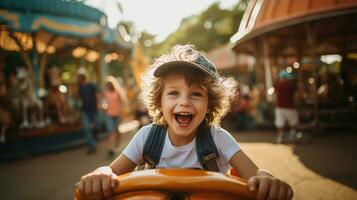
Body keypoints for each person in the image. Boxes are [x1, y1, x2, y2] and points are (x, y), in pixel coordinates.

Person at [77, 45, 293, 199]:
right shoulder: (147, 137)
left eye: (196, 94)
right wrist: (102, 173)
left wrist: (266, 179)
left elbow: (255, 174)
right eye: (173, 93)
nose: (184, 102)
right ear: (159, 101)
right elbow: (113, 171)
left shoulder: (217, 138)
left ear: (209, 103)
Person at [103, 76, 127, 157]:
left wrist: (122, 113)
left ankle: (117, 144)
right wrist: (104, 107)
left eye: (110, 84)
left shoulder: (117, 92)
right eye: (107, 84)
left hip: (117, 114)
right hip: (109, 114)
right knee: (111, 130)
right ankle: (111, 147)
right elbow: (104, 103)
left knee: (116, 130)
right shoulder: (106, 93)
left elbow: (122, 103)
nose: (108, 86)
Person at [77, 69, 100, 154]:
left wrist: (98, 105)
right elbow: (79, 98)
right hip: (85, 110)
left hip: (93, 109)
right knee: (86, 128)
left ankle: (95, 136)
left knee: (97, 126)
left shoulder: (92, 85)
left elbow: (97, 95)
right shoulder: (80, 87)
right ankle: (92, 146)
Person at [273, 70, 299, 143]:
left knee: (280, 123)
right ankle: (292, 135)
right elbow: (296, 96)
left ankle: (280, 137)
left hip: (279, 107)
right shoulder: (291, 85)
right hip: (290, 107)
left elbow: (274, 95)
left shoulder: (277, 84)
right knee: (293, 122)